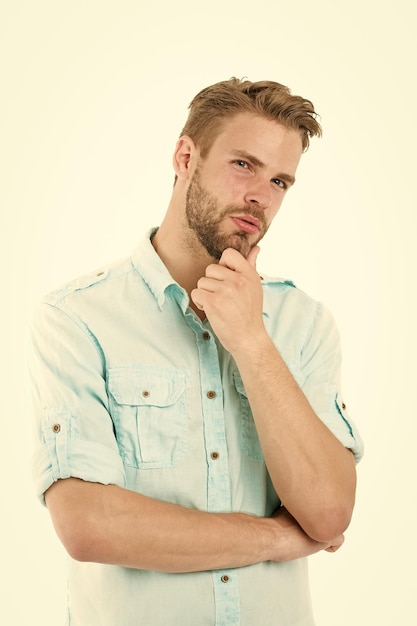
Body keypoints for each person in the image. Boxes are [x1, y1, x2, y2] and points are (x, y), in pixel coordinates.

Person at [29, 77, 364, 626]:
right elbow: (88, 525)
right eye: (243, 165)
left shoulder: (303, 325)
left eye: (280, 180)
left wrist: (252, 343)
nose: (261, 194)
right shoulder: (77, 318)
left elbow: (328, 513)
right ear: (186, 156)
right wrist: (277, 538)